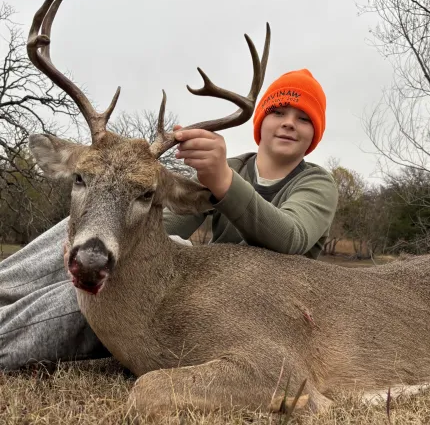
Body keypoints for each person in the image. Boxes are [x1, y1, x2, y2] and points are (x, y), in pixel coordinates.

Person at [0, 69, 338, 370]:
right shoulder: (233, 165)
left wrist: (223, 182)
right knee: (108, 220)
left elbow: (291, 238)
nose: (289, 122)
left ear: (315, 134)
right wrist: (104, 226)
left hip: (255, 307)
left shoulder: (316, 183)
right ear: (261, 121)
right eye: (278, 111)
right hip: (210, 282)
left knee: (116, 291)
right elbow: (159, 228)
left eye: (304, 118)